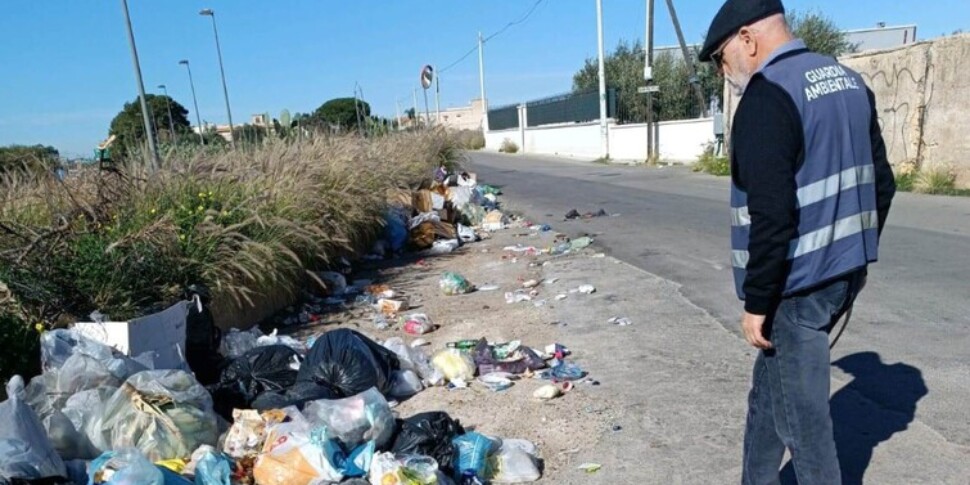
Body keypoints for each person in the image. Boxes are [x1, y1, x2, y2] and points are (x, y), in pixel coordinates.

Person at [698, 0, 896, 483]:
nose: (727, 74)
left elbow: (772, 214)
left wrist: (758, 301)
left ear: (747, 39)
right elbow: (882, 184)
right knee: (769, 398)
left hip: (794, 290)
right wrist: (854, 254)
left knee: (804, 424)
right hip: (842, 275)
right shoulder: (848, 82)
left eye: (723, 60)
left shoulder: (767, 98)